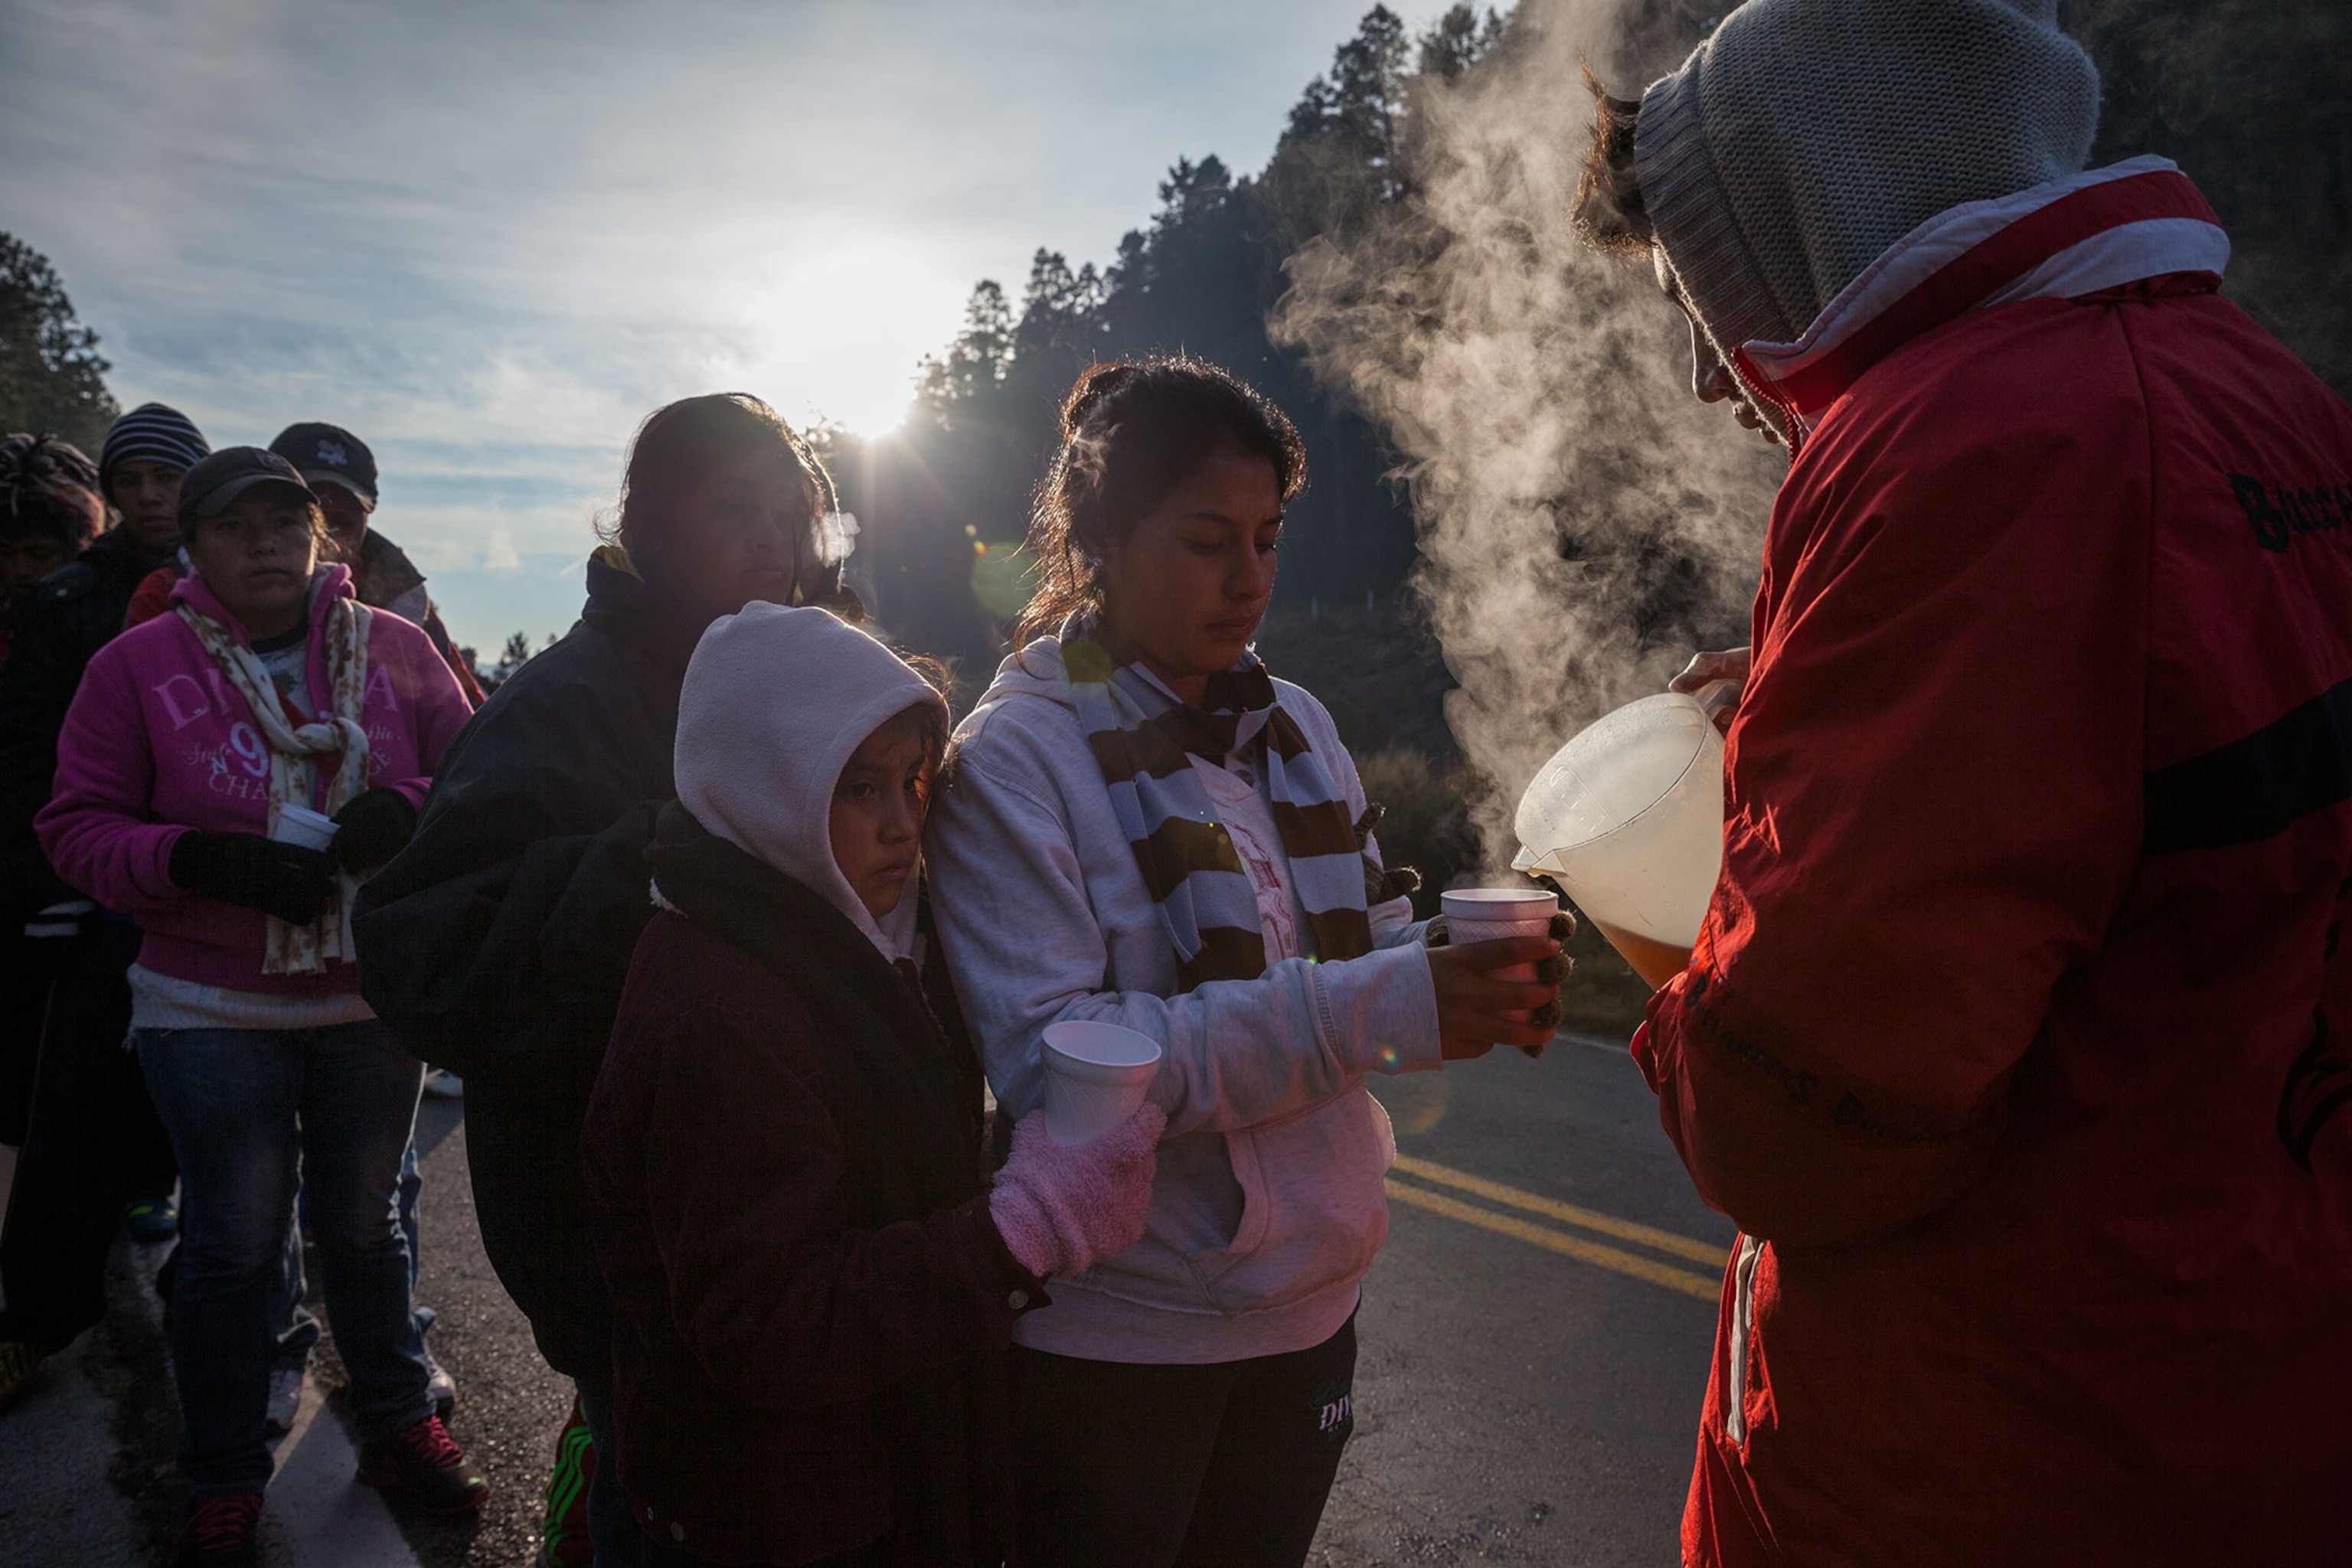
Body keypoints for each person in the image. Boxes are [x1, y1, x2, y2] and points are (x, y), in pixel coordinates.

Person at [1569, 2, 2352, 1562]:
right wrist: (1827, 726)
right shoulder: (2261, 385)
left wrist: (1722, 910)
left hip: (2005, 1451)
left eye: (1699, 298)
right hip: (2248, 1357)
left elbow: (1812, 1109)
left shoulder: (1959, 453)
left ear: (1816, 216)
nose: (1714, 379)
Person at [925, 356, 1567, 1568]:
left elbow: (1368, 947)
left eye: (1269, 538)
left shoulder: (1295, 723)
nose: (1252, 580)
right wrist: (1374, 1000)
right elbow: (1062, 1068)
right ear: (1102, 538)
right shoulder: (1018, 759)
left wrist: (1461, 961)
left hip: (1313, 1303)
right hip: (1121, 1329)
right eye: (1209, 540)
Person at [354, 392, 862, 1568]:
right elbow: (423, 952)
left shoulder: (813, 687)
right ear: (645, 524)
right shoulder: (563, 707)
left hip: (789, 1225)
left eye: (789, 515)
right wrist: (656, 855)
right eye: (732, 509)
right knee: (676, 1498)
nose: (771, 542)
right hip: (630, 1246)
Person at [586, 603, 1165, 1566]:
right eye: (858, 787)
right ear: (766, 785)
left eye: (914, 779)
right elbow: (771, 1320)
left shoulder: (865, 931)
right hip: (773, 1513)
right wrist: (1021, 1226)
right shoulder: (722, 1006)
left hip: (873, 1475)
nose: (904, 823)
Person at [35, 446, 484, 1563]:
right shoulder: (136, 666)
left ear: (321, 538)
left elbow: (482, 772)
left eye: (286, 523)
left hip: (368, 1003)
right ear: (192, 545)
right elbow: (75, 826)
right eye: (234, 526)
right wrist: (197, 859)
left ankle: (397, 1417)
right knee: (235, 1245)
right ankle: (226, 1471)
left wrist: (409, 806)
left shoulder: (396, 648)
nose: (266, 544)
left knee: (368, 1230)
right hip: (207, 1009)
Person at [0, 405, 204, 1415]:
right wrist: (41, 882)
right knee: (70, 1118)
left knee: (226, 1133)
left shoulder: (250, 592)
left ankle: (213, 1319)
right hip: (97, 892)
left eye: (167, 482)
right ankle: (34, 1320)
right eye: (129, 484)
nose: (149, 500)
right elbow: (28, 751)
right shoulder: (72, 597)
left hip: (214, 900)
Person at [0, 433, 107, 1147]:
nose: (19, 572)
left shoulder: (107, 624)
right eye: (6, 554)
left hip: (67, 883)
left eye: (40, 554)